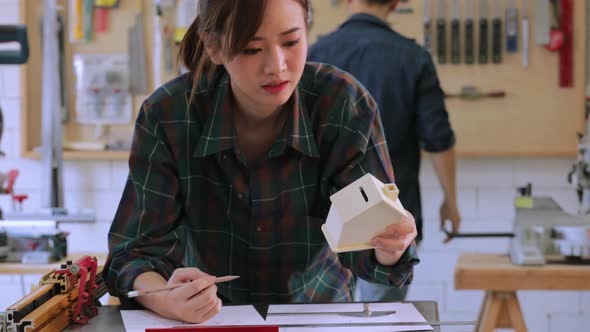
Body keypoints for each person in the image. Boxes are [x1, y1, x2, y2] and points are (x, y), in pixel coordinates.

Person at [104, 0, 419, 324]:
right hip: (208, 318)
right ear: (213, 46)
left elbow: (370, 250)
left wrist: (389, 245)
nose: (277, 65)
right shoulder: (168, 115)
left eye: (291, 42)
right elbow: (133, 254)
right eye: (253, 49)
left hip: (318, 316)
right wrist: (166, 297)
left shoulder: (343, 105)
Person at [308, 0, 460, 302]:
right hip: (389, 220)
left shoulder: (316, 54)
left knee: (324, 319)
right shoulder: (414, 58)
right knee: (382, 320)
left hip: (323, 217)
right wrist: (450, 201)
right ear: (396, 3)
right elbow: (438, 139)